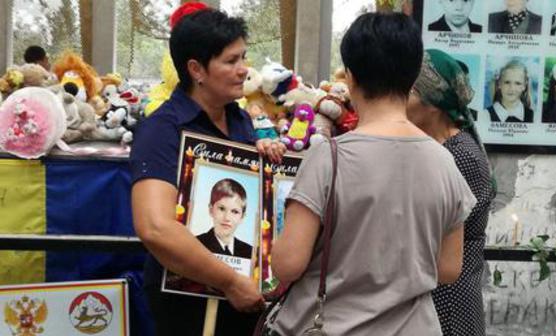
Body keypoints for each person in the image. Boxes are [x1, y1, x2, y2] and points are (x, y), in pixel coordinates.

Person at [269, 12, 476, 336]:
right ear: (412, 78)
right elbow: (448, 269)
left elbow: (287, 263)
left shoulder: (328, 157)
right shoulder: (444, 162)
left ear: (350, 77)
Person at [130, 8, 285, 336]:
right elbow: (155, 228)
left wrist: (271, 166)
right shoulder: (162, 130)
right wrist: (228, 281)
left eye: (244, 57)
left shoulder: (244, 121)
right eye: (231, 61)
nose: (244, 70)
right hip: (188, 309)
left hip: (245, 302)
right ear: (196, 69)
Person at [407, 49, 495, 336]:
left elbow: (428, 234)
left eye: (409, 92)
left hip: (449, 306)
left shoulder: (461, 157)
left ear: (434, 103)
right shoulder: (439, 148)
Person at [197, 178, 253, 259]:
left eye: (234, 211)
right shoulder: (195, 244)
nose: (227, 218)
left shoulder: (250, 252)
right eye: (222, 209)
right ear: (211, 209)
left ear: (242, 217)